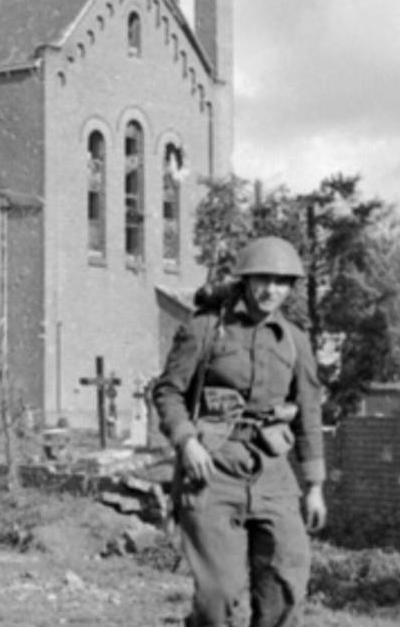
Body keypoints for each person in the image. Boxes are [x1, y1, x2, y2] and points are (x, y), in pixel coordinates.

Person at [152, 235, 327, 627]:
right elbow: (167, 391)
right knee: (218, 601)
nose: (271, 290)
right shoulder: (206, 328)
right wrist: (187, 442)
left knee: (286, 584)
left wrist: (314, 485)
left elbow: (309, 414)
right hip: (212, 469)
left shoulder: (295, 341)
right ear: (246, 281)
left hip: (273, 473)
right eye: (263, 279)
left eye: (281, 282)